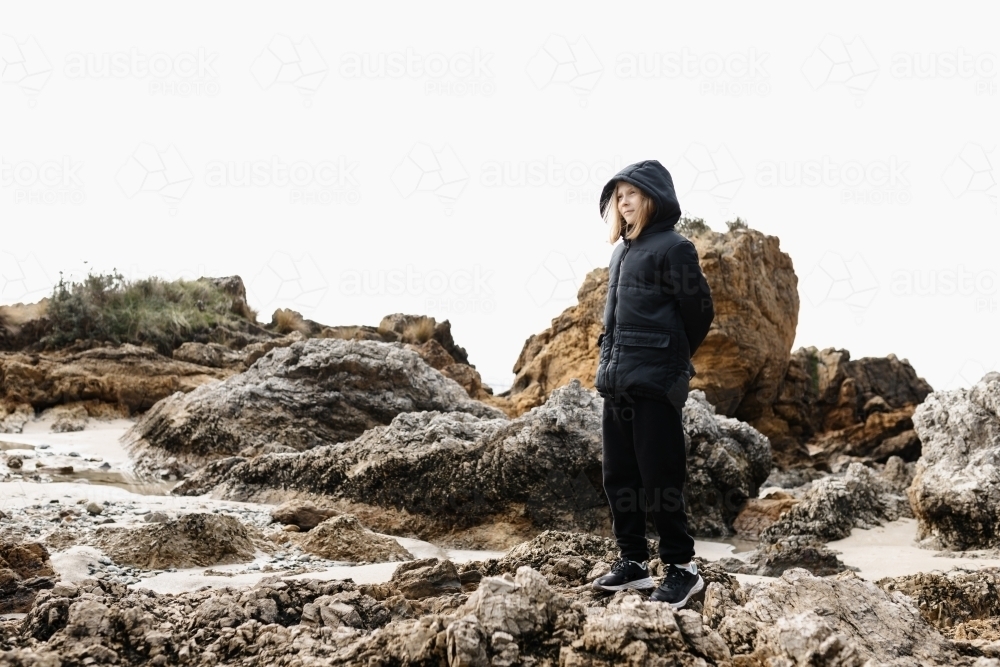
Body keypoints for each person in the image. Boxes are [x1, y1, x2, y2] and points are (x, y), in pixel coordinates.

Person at [590, 159, 715, 610]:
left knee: (661, 477)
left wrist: (671, 359)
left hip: (656, 381)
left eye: (632, 193)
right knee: (619, 475)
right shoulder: (621, 251)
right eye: (618, 194)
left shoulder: (674, 248)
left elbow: (699, 312)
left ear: (653, 198)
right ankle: (634, 564)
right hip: (617, 380)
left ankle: (683, 569)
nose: (623, 201)